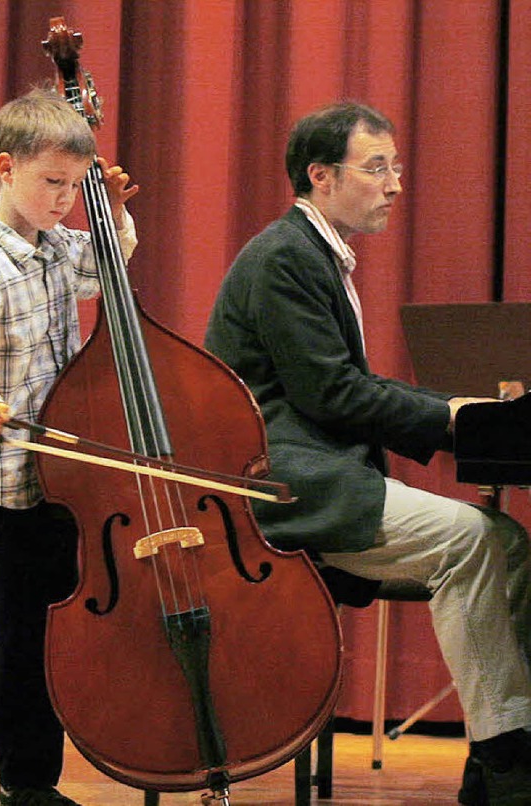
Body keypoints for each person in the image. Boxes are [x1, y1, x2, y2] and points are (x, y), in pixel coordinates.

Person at [204, 101, 531, 805]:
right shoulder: (286, 257)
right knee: (471, 537)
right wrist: (451, 415)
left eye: (397, 166)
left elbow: (349, 387)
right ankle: (510, 760)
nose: (395, 185)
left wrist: (452, 411)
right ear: (321, 176)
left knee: (510, 544)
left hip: (321, 474)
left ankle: (496, 754)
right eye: (376, 167)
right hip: (284, 488)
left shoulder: (313, 252)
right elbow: (333, 395)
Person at [0, 88, 139, 806]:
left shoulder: (54, 246)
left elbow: (112, 261)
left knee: (37, 644)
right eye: (52, 184)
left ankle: (30, 781)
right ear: (4, 168)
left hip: (46, 483)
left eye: (75, 186)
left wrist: (114, 209)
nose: (66, 200)